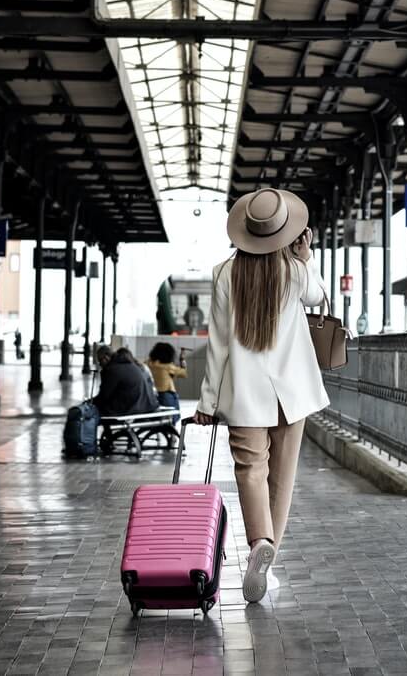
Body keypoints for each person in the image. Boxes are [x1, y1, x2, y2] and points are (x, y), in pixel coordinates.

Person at [194, 188, 329, 603]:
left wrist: (207, 403)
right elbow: (319, 298)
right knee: (281, 479)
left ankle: (259, 543)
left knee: (250, 471)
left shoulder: (222, 274)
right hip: (295, 394)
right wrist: (306, 257)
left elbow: (217, 344)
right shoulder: (295, 271)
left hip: (245, 396)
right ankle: (269, 556)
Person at [92, 346, 158, 418]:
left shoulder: (112, 369)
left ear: (106, 357)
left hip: (130, 409)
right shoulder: (134, 365)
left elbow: (104, 395)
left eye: (100, 361)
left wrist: (91, 402)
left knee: (93, 412)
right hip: (146, 406)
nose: (100, 364)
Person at [147, 341, 188, 423]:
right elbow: (183, 374)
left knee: (159, 420)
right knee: (172, 419)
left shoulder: (149, 364)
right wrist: (182, 360)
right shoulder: (168, 367)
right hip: (167, 395)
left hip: (152, 395)